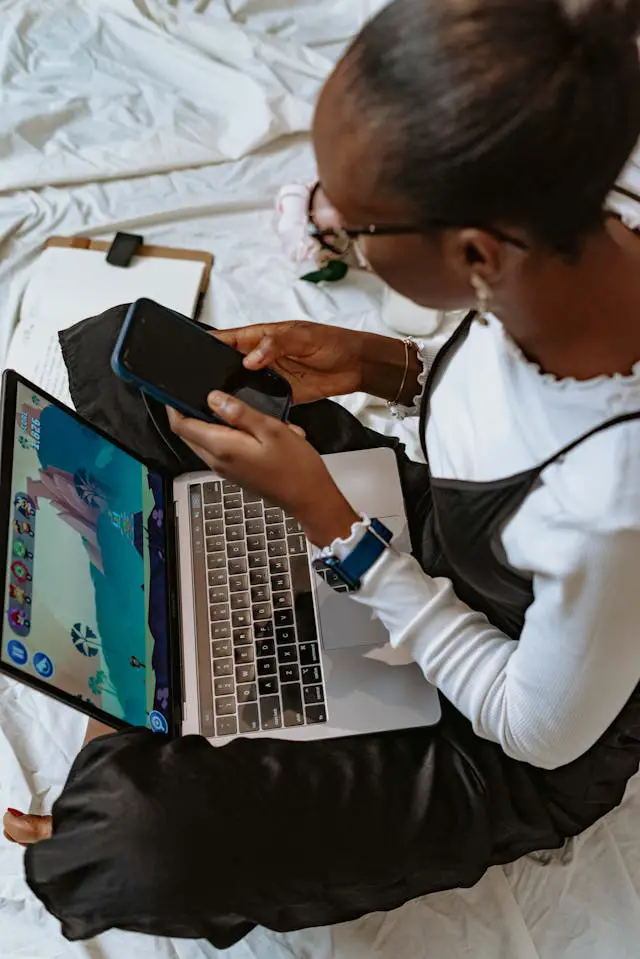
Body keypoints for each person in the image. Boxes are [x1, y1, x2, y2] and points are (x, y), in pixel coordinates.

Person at [5, 0, 640, 947]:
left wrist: (333, 528)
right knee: (134, 356)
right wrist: (379, 363)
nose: (326, 224)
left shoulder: (611, 505)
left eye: (353, 224)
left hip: (502, 716)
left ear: (473, 252)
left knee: (126, 846)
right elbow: (513, 405)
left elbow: (536, 729)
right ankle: (169, 652)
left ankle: (148, 687)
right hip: (429, 541)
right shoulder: (573, 235)